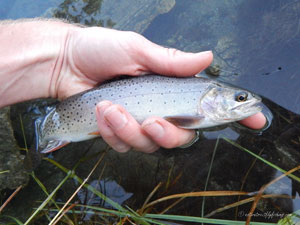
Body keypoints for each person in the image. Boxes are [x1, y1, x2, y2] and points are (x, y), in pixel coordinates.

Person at [0, 19, 266, 153]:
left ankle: (37, 140)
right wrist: (65, 55)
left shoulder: (200, 99)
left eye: (241, 99)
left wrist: (64, 56)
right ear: (214, 95)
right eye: (240, 98)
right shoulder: (198, 102)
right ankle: (36, 141)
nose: (247, 101)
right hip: (61, 118)